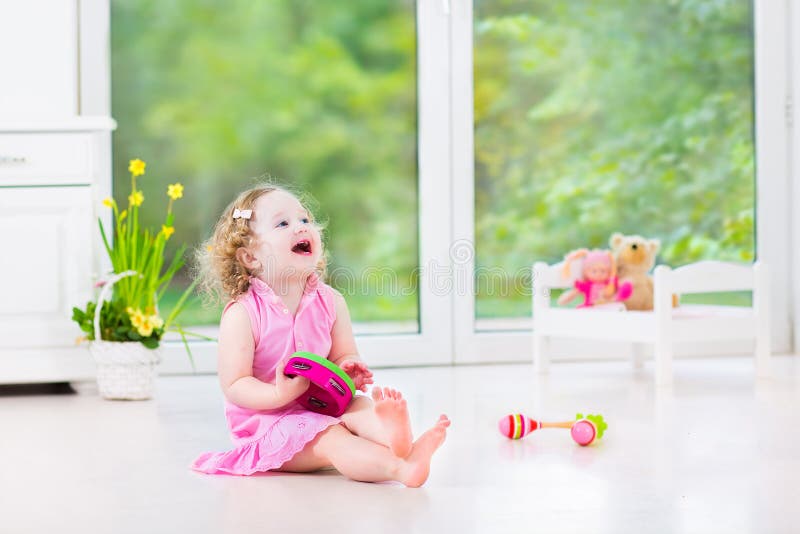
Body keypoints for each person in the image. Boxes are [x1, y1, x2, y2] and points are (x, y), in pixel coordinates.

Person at [191, 184, 450, 487]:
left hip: (322, 403)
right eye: (283, 223)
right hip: (270, 425)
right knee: (332, 438)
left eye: (304, 220)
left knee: (359, 406)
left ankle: (395, 438)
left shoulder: (331, 301)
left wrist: (349, 369)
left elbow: (343, 356)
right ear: (250, 257)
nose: (301, 227)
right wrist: (279, 395)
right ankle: (399, 468)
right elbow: (235, 384)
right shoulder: (243, 314)